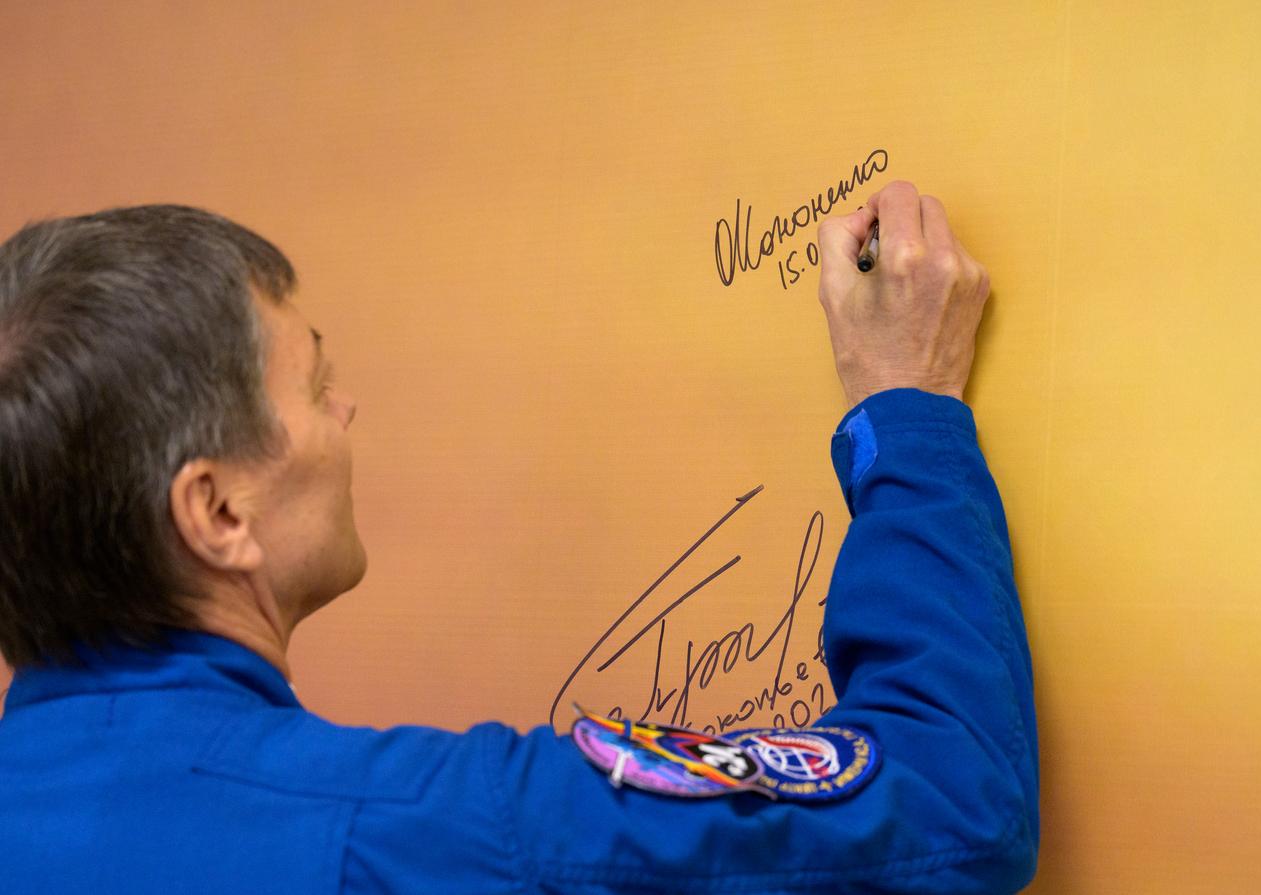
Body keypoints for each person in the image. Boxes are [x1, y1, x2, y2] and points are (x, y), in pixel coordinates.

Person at [0, 181, 1039, 893]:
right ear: (217, 514)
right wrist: (905, 413)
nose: (346, 412)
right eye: (314, 385)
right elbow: (947, 801)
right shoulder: (406, 826)